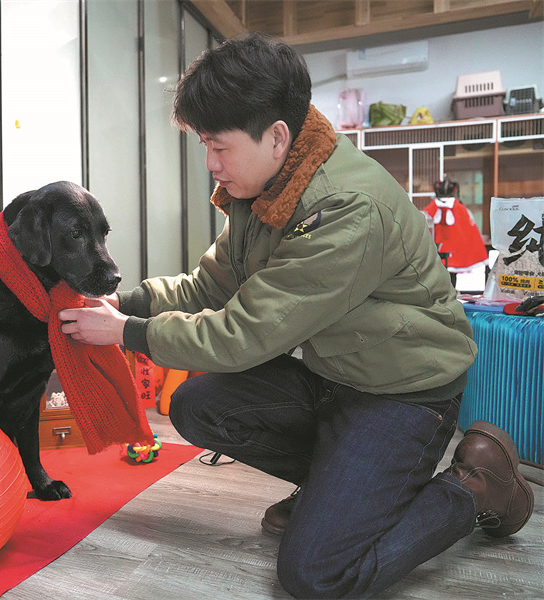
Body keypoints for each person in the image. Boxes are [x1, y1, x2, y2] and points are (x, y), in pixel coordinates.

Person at [58, 33, 534, 598]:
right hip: (334, 370)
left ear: (278, 136)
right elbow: (212, 285)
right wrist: (128, 304)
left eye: (219, 147)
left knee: (316, 574)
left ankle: (473, 492)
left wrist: (129, 334)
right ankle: (334, 493)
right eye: (204, 146)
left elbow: (246, 332)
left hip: (402, 392)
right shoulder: (265, 188)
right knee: (197, 405)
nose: (211, 165)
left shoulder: (344, 209)